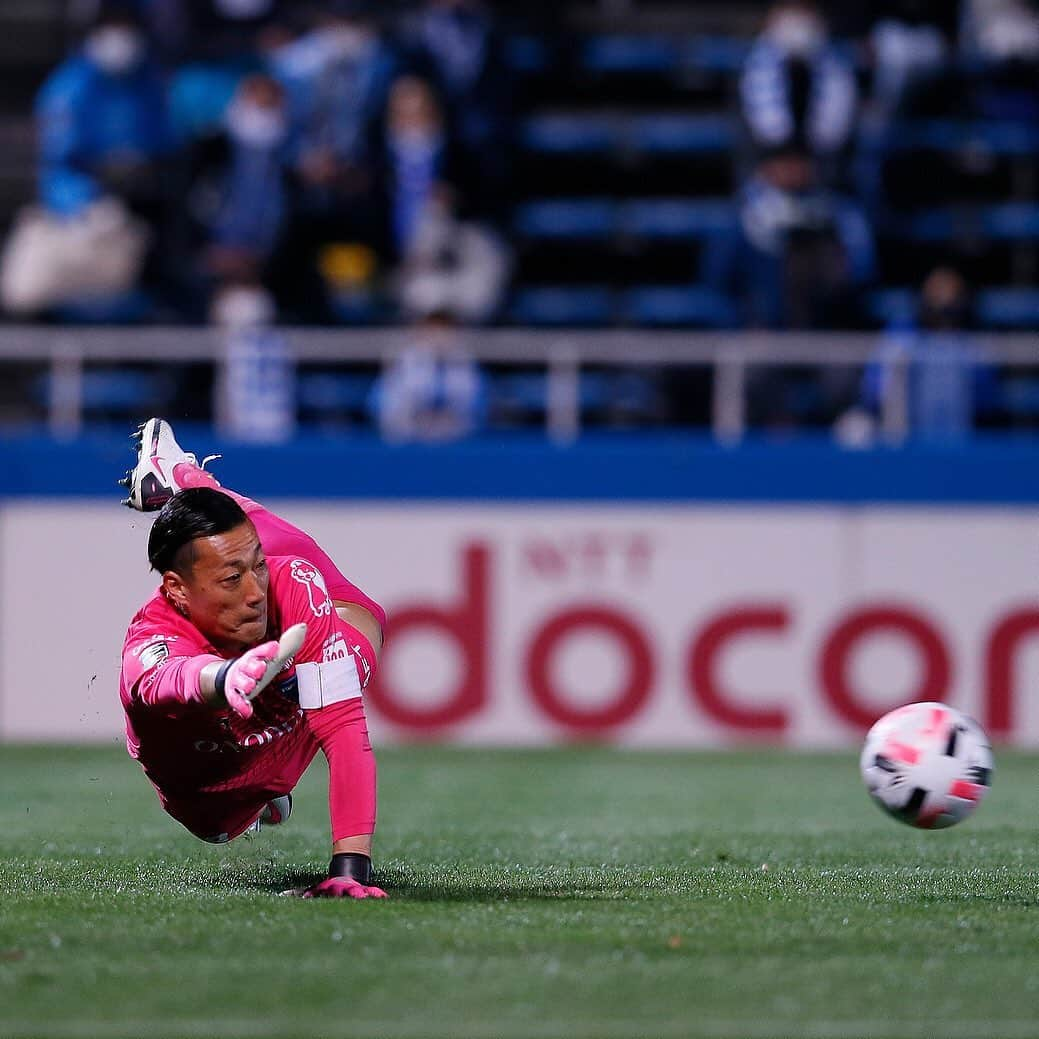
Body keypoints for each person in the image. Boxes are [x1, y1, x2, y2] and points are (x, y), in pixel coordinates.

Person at [116, 418, 386, 898]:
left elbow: (344, 727)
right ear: (176, 589)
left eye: (257, 568)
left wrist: (350, 869)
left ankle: (194, 485)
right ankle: (193, 487)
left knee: (361, 623)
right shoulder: (151, 638)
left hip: (279, 729)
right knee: (218, 828)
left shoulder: (288, 585)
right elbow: (170, 678)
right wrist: (224, 677)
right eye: (231, 581)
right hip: (213, 802)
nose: (255, 593)